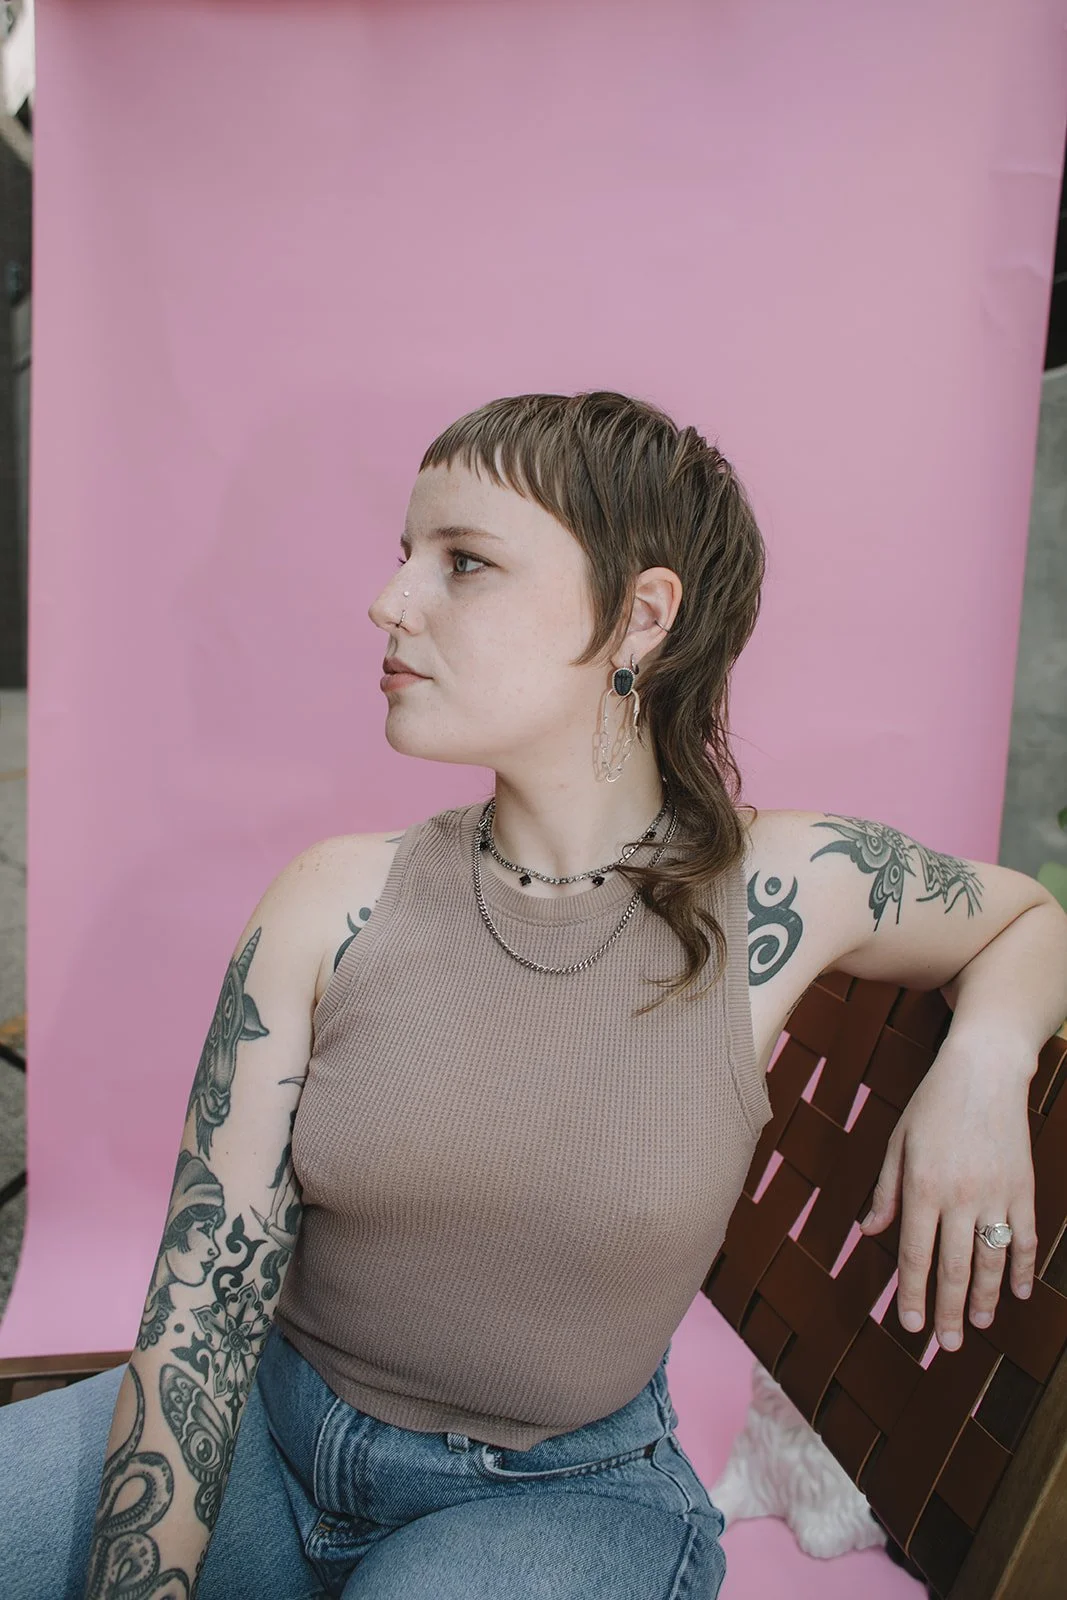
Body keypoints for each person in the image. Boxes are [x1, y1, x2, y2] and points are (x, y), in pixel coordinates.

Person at [0, 389, 1057, 1600]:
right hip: (269, 1435)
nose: (388, 601)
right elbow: (199, 1322)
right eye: (404, 556)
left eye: (462, 561)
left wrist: (983, 1057)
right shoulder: (331, 902)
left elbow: (1030, 917)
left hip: (560, 1500)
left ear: (638, 617)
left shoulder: (784, 888)